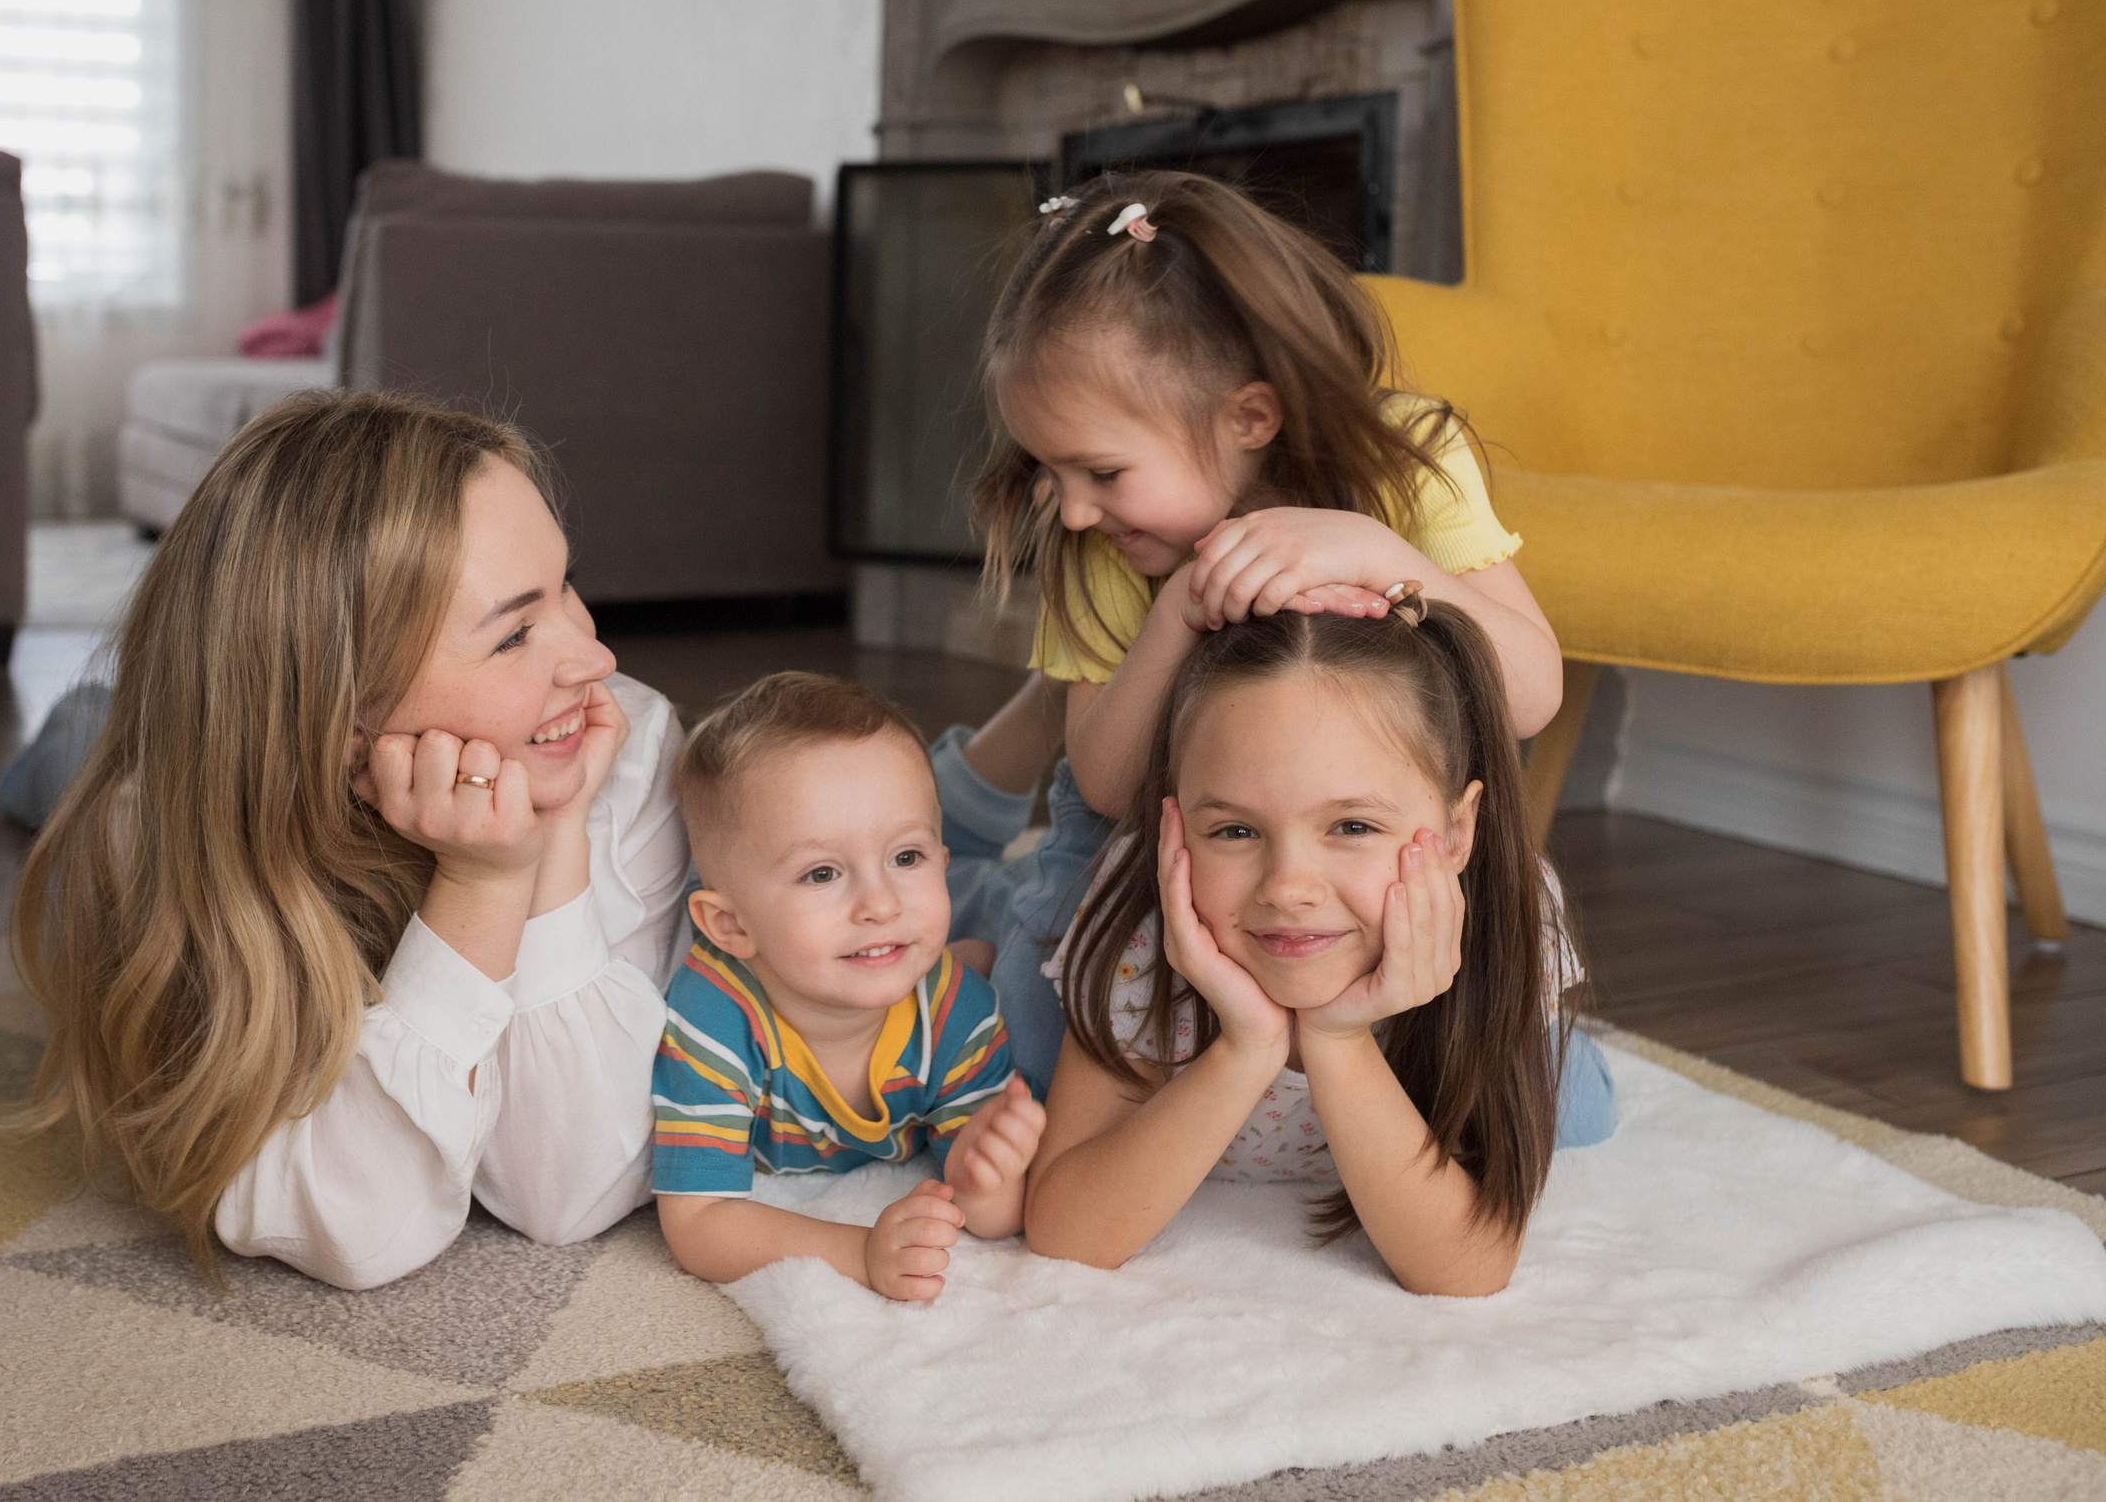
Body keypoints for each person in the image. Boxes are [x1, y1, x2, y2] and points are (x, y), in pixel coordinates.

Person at [12, 389, 694, 1290]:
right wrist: (479, 890)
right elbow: (356, 1228)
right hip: (179, 766)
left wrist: (549, 838)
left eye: (566, 583)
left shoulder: (630, 747)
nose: (595, 658)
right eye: (515, 633)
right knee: (72, 758)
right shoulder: (156, 831)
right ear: (342, 721)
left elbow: (567, 1193)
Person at [933, 169, 1563, 1094]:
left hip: (1363, 832)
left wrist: (1375, 552)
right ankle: (989, 901)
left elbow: (1532, 694)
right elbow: (1106, 783)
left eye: (1102, 471)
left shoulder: (1405, 461)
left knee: (1561, 1104)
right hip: (1157, 828)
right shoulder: (1107, 538)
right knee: (1028, 1055)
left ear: (1250, 418)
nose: (1069, 510)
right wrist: (1180, 609)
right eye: (1049, 471)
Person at [1023, 595, 1597, 1297]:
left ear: (1456, 832)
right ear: (1174, 826)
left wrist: (1336, 1037)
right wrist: (1246, 1047)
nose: (1288, 887)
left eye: (1353, 826)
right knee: (1016, 1008)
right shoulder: (1147, 926)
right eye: (1235, 830)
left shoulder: (1504, 920)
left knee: (1584, 1106)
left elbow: (1469, 1268)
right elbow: (1064, 1232)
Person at [651, 673, 1047, 1302]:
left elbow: (995, 1221)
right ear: (731, 925)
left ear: (942, 861)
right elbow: (697, 1222)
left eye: (906, 858)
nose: (880, 904)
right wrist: (858, 1251)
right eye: (822, 873)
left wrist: (987, 1171)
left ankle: (975, 944)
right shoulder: (713, 1014)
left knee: (982, 961)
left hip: (960, 972)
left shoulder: (956, 1010)